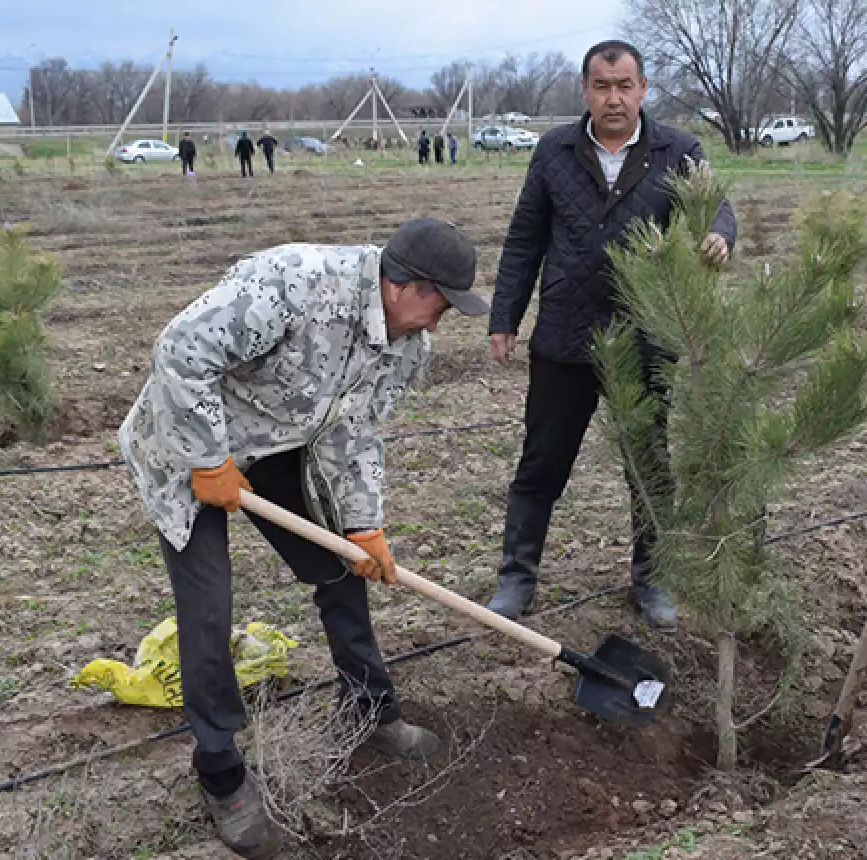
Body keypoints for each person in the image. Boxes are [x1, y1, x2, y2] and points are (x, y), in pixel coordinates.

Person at [119, 218, 489, 859]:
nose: (438, 325)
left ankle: (372, 710)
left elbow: (356, 432)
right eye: (440, 306)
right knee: (208, 609)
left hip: (276, 447)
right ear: (405, 287)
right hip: (187, 442)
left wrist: (363, 524)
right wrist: (208, 459)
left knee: (341, 570)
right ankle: (220, 770)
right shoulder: (292, 284)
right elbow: (179, 351)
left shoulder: (406, 348)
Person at [484, 40, 736, 629]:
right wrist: (504, 317)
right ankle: (515, 578)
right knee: (541, 463)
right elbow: (524, 239)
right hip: (565, 340)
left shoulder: (678, 150)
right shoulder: (554, 151)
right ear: (585, 90)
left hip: (644, 337)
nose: (614, 98)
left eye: (625, 86)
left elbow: (717, 207)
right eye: (603, 86)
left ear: (643, 89)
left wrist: (719, 235)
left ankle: (653, 580)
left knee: (648, 466)